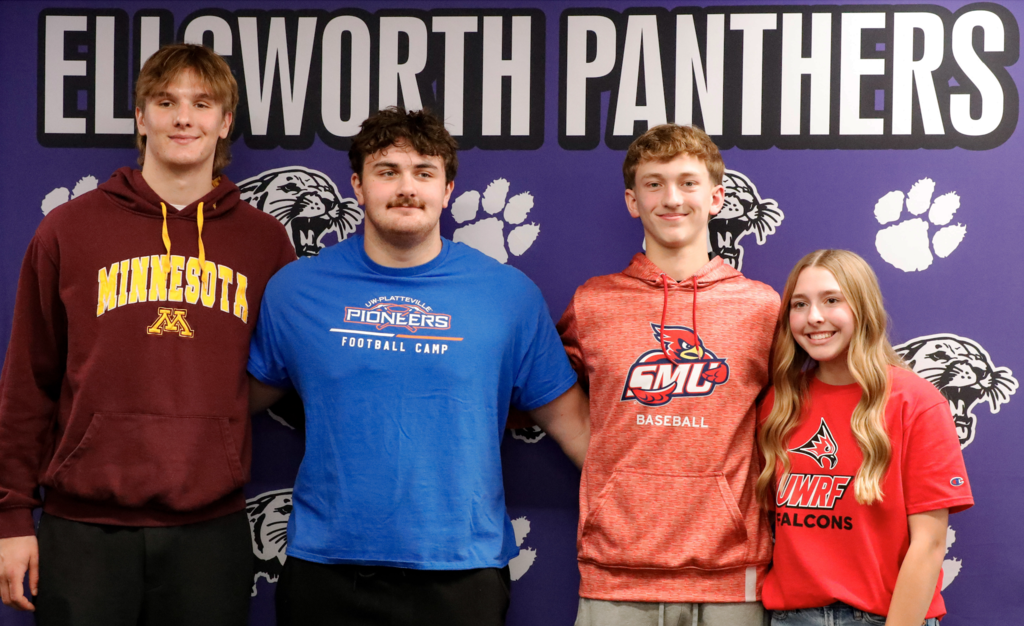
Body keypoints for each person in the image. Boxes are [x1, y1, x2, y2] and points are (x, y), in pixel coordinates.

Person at [247, 106, 589, 626]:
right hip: (326, 568)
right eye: (387, 171)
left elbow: (576, 428)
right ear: (358, 186)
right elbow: (233, 405)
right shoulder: (295, 290)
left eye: (424, 173)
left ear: (447, 190)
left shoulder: (508, 296)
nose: (406, 188)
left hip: (461, 571)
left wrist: (664, 507)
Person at [0, 43, 295, 625]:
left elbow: (290, 368)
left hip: (210, 526)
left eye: (201, 104)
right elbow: (28, 382)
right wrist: (11, 518)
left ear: (225, 122)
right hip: (83, 526)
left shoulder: (264, 242)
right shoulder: (68, 230)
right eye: (165, 102)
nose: (183, 118)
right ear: (140, 117)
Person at [558, 124, 778, 626]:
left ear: (716, 197)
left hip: (731, 575)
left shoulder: (761, 308)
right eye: (654, 184)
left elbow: (801, 412)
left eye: (688, 182)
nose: (672, 198)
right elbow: (539, 391)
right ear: (633, 201)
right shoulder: (593, 303)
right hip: (615, 571)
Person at [757, 249, 973, 626]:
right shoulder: (779, 403)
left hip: (885, 617)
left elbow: (929, 544)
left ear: (863, 308)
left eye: (831, 300)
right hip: (792, 618)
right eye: (799, 304)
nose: (814, 317)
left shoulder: (915, 402)